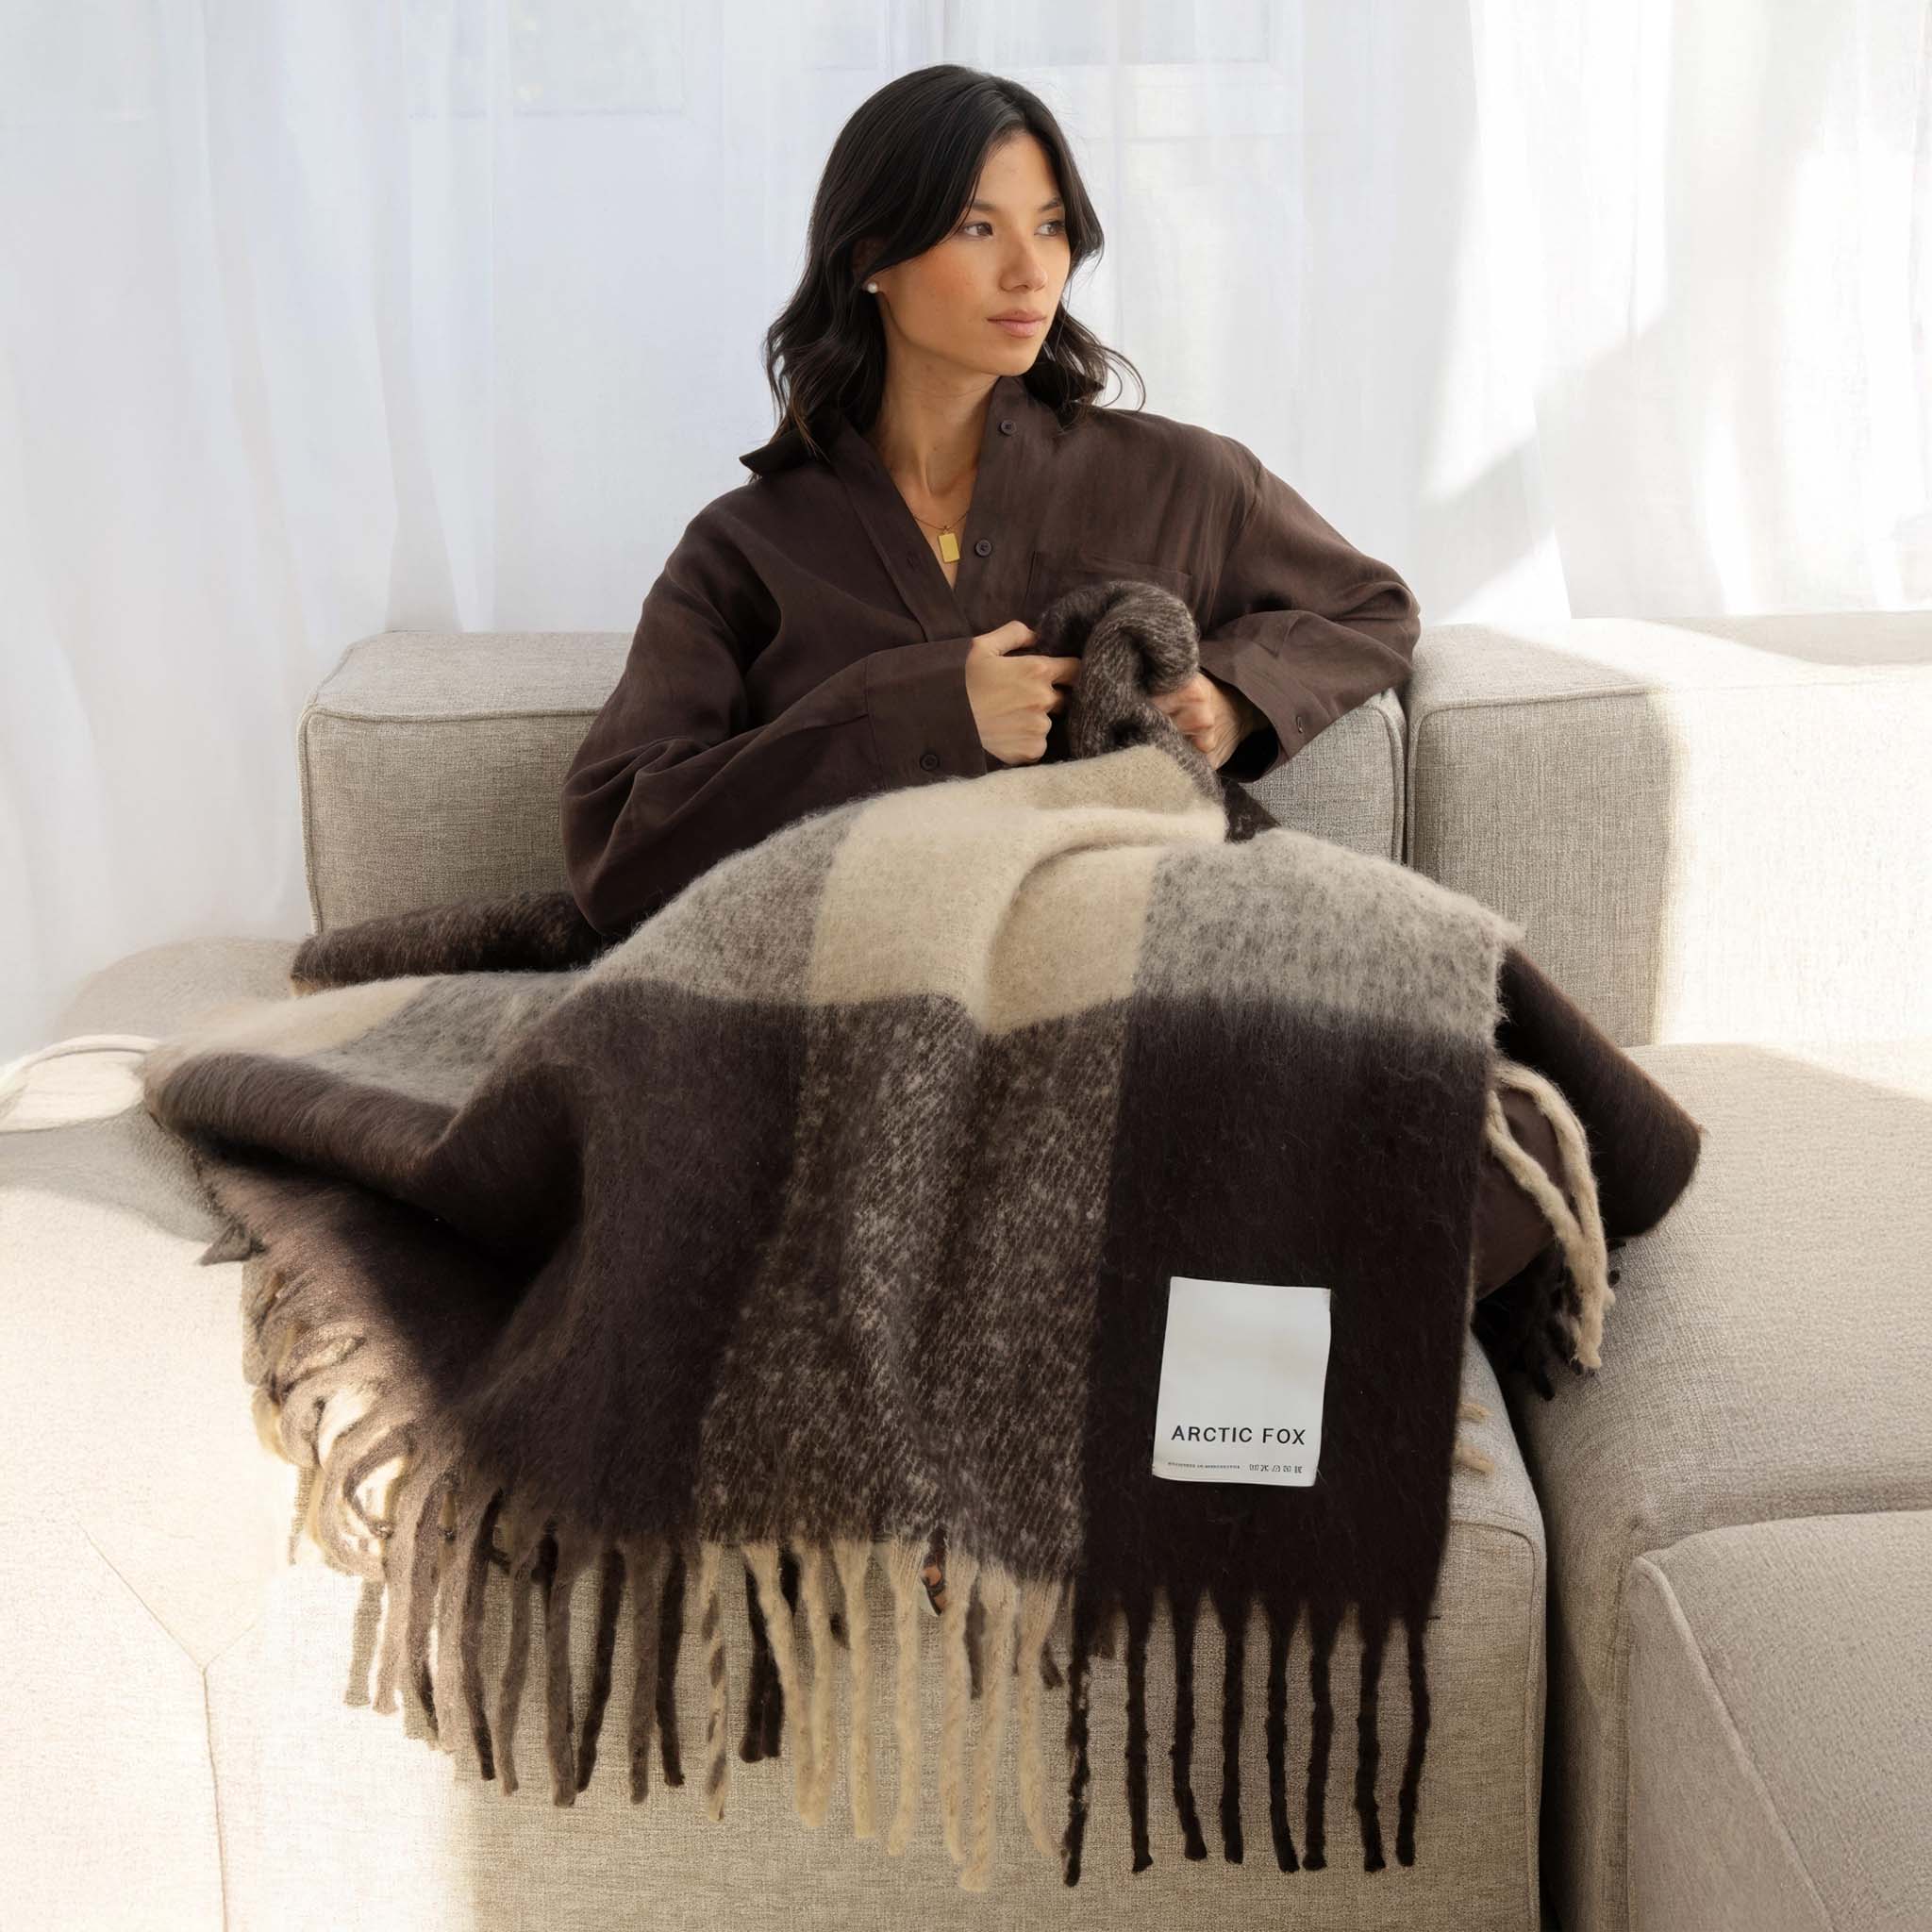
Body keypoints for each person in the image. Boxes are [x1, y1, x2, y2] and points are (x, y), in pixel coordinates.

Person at [558, 67, 1559, 1612]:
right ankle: (1112, 1412)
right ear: (872, 259)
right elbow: (624, 842)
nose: (1032, 272)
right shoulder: (747, 551)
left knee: (1476, 1116)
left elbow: (1369, 606)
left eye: (1053, 227)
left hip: (1137, 945)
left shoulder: (1172, 477)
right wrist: (920, 704)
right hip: (893, 998)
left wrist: (1232, 695)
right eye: (976, 228)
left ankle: (1222, 1442)